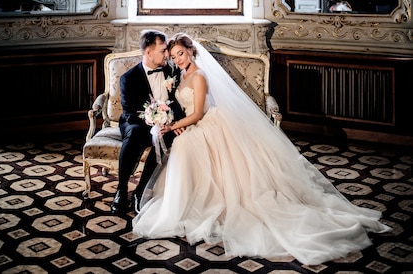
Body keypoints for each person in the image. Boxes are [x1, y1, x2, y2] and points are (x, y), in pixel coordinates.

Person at [132, 32, 389, 266]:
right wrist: (172, 122)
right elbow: (181, 107)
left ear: (191, 51)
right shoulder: (180, 74)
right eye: (174, 55)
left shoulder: (199, 76)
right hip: (189, 125)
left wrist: (174, 125)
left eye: (181, 54)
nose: (177, 59)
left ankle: (197, 204)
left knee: (188, 148)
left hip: (207, 124)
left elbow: (198, 113)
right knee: (182, 147)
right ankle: (184, 203)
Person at [111, 29, 184, 215]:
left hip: (164, 122)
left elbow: (177, 101)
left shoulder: (171, 70)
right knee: (135, 132)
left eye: (167, 50)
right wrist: (154, 122)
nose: (167, 54)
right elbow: (130, 113)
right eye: (163, 50)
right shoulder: (129, 78)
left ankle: (140, 190)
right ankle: (121, 189)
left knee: (168, 138)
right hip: (136, 122)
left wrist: (170, 123)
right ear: (148, 52)